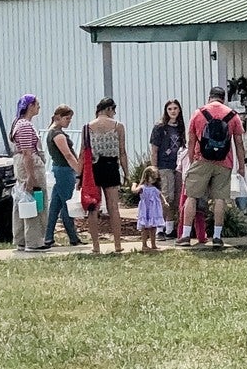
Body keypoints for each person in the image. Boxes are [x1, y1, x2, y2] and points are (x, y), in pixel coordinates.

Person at [184, 86, 244, 249]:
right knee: (219, 199)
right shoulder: (233, 116)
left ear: (209, 97)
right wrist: (241, 166)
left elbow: (191, 141)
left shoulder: (198, 113)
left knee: (192, 196)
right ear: (223, 98)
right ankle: (217, 236)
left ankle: (185, 235)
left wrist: (192, 161)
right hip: (224, 162)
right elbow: (239, 143)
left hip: (201, 160)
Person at [82, 98, 128, 254]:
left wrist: (79, 175)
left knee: (93, 207)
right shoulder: (118, 126)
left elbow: (83, 154)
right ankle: (117, 244)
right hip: (111, 166)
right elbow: (122, 152)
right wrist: (126, 173)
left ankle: (96, 246)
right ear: (109, 109)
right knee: (113, 207)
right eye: (113, 111)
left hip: (94, 168)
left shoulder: (87, 127)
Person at [10, 95, 47, 253]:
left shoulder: (18, 123)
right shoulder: (25, 125)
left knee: (23, 200)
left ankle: (21, 239)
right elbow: (27, 153)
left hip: (23, 164)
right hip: (30, 165)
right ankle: (34, 241)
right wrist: (31, 176)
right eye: (37, 104)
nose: (39, 106)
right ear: (30, 105)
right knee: (35, 200)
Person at [43, 104, 83, 247]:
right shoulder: (58, 134)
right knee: (68, 204)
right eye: (67, 118)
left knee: (55, 206)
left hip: (59, 170)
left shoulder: (52, 132)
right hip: (65, 171)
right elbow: (68, 155)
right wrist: (79, 170)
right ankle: (73, 237)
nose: (69, 121)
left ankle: (48, 237)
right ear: (58, 117)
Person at [150, 100, 184, 238]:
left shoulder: (180, 127)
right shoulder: (160, 127)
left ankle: (170, 228)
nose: (173, 111)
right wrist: (154, 168)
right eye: (170, 109)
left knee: (176, 198)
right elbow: (154, 150)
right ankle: (160, 228)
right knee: (166, 197)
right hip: (164, 166)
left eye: (175, 108)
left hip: (177, 165)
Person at [134, 167, 164, 253]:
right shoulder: (142, 187)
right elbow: (135, 191)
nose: (154, 179)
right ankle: (144, 244)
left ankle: (153, 244)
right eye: (152, 177)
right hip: (145, 210)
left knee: (153, 227)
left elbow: (160, 195)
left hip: (153, 210)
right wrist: (134, 185)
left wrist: (164, 202)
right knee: (145, 228)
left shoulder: (155, 189)